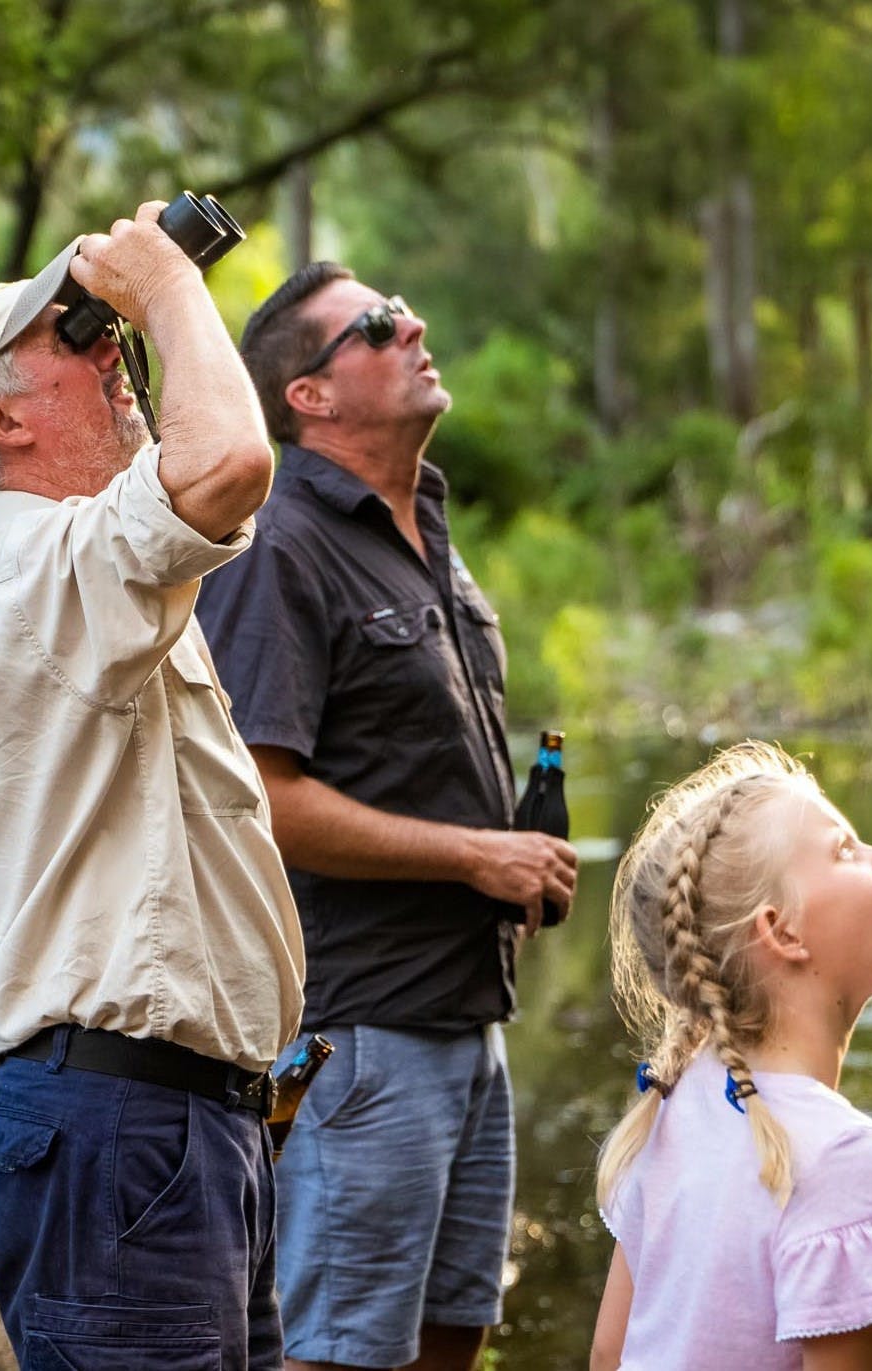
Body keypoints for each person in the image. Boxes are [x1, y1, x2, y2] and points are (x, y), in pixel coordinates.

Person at [0, 202, 306, 1369]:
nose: (110, 354)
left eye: (103, 332)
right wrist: (170, 288)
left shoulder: (90, 580)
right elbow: (228, 460)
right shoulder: (25, 574)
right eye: (75, 341)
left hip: (178, 1130)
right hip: (122, 1131)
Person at [194, 262, 578, 1371]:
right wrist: (473, 856)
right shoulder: (279, 546)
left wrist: (512, 855)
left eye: (398, 309)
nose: (409, 322)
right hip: (354, 1029)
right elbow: (258, 801)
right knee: (342, 1349)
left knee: (454, 1329)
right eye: (371, 325)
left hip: (464, 1021)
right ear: (307, 396)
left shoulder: (424, 533)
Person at [590, 742, 872, 1371]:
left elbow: (609, 1355)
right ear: (783, 931)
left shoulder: (677, 1105)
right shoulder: (842, 1162)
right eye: (844, 851)